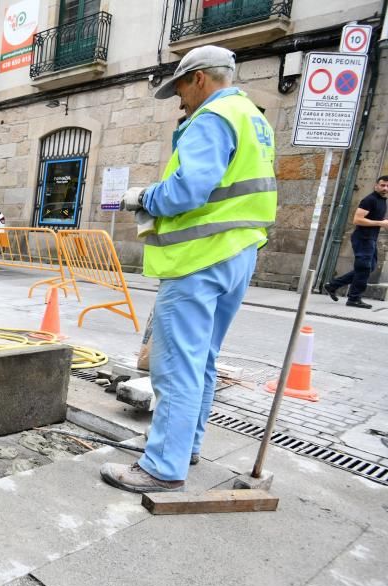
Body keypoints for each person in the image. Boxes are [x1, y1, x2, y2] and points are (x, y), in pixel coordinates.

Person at [104, 45, 277, 493]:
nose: (179, 99)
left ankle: (162, 465)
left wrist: (144, 197)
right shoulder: (253, 119)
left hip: (199, 258)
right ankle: (185, 447)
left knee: (176, 365)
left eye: (180, 87)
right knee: (202, 361)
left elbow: (187, 191)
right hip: (237, 254)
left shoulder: (212, 119)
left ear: (199, 78)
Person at [323, 176, 388, 309]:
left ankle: (333, 285)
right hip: (363, 238)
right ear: (376, 185)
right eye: (382, 185)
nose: (385, 188)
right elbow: (357, 220)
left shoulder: (382, 201)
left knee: (368, 268)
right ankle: (354, 299)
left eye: (387, 186)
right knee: (364, 268)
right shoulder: (369, 200)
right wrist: (381, 223)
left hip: (371, 238)